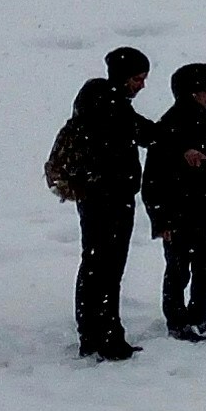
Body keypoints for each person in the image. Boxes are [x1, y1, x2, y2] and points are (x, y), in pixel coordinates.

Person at [53, 46, 163, 360]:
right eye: (138, 78)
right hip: (109, 199)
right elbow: (145, 133)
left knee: (95, 265)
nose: (142, 85)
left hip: (95, 197)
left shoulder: (97, 101)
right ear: (122, 77)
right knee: (107, 268)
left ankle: (92, 334)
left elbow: (142, 132)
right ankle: (108, 337)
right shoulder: (111, 107)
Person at [146, 61, 206, 342]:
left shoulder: (202, 119)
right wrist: (162, 218)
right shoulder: (173, 124)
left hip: (199, 209)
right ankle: (182, 321)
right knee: (184, 269)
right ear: (194, 92)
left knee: (200, 266)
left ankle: (193, 318)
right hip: (182, 211)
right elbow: (154, 178)